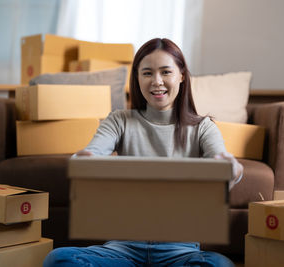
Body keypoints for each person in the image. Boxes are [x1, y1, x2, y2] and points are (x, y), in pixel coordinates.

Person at [43, 38, 243, 267]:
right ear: (137, 78)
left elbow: (224, 165)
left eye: (166, 72)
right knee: (59, 259)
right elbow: (91, 153)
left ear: (182, 76)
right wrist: (83, 161)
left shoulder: (203, 127)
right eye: (147, 73)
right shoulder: (119, 120)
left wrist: (232, 169)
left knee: (221, 265)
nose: (157, 82)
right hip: (122, 249)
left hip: (180, 251)